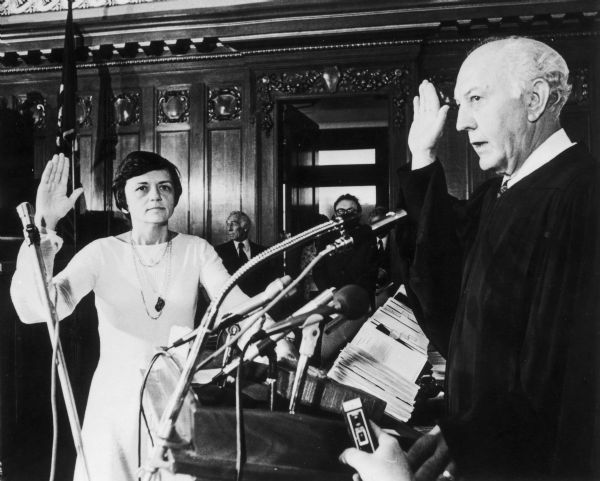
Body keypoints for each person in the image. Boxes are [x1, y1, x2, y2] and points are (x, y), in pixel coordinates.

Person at [341, 36, 599, 480]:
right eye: (459, 104)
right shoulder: (501, 192)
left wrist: (471, 439)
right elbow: (448, 300)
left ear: (534, 100)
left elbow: (562, 386)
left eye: (476, 99)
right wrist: (422, 159)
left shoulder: (583, 196)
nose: (461, 123)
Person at [10, 152, 283, 481]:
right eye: (142, 188)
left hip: (174, 396)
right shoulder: (102, 252)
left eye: (165, 187)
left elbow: (235, 307)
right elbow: (39, 308)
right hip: (115, 400)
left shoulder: (196, 250)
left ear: (175, 197)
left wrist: (275, 326)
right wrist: (44, 226)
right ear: (122, 201)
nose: (155, 194)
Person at [313, 194, 378, 307]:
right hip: (331, 299)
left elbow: (371, 269)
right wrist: (330, 293)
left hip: (359, 297)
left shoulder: (367, 233)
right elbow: (318, 269)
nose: (346, 214)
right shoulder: (325, 236)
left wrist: (354, 294)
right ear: (335, 214)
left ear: (358, 213)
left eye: (350, 210)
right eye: (341, 211)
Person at [215, 211, 277, 297]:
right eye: (228, 224)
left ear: (245, 227)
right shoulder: (218, 252)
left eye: (233, 224)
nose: (229, 228)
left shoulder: (263, 252)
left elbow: (269, 283)